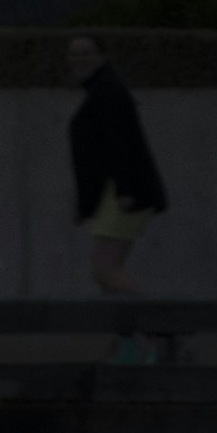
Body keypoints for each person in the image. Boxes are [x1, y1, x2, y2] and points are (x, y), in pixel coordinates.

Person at [66, 32, 168, 294]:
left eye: (86, 52)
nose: (79, 58)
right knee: (106, 273)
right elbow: (96, 158)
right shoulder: (100, 90)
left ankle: (158, 322)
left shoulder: (108, 90)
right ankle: (127, 333)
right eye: (75, 53)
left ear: (102, 57)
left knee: (106, 271)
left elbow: (122, 142)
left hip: (124, 193)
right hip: (115, 192)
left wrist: (125, 190)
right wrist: (85, 206)